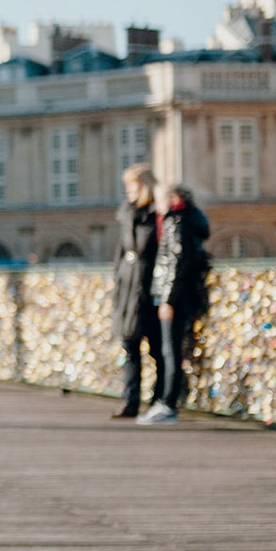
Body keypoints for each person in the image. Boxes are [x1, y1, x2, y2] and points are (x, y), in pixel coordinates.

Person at [140, 181, 210, 425]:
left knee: (170, 351)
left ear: (172, 199)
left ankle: (168, 404)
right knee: (170, 350)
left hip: (174, 296)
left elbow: (178, 261)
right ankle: (166, 402)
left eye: (159, 198)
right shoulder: (182, 219)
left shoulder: (176, 221)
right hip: (177, 294)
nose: (155, 204)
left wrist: (167, 299)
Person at [109, 164, 163, 420]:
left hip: (148, 286)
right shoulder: (127, 214)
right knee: (129, 345)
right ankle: (130, 400)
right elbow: (120, 253)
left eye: (134, 186)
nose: (129, 191)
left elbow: (152, 250)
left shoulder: (157, 215)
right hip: (128, 287)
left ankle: (158, 398)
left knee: (155, 348)